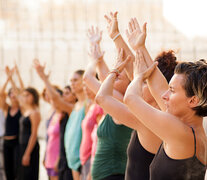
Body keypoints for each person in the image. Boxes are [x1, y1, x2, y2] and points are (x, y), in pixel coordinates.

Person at [96, 12, 177, 180]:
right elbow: (136, 69)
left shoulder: (149, 121)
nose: (138, 82)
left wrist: (115, 69)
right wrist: (116, 36)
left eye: (146, 82)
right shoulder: (160, 114)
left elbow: (102, 98)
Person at [123, 18, 207, 179]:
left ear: (193, 101)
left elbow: (131, 99)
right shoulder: (192, 129)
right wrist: (140, 48)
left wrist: (138, 77)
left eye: (172, 91)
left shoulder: (181, 133)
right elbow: (158, 86)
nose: (164, 96)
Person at [84, 28, 132, 180]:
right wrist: (96, 46)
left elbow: (88, 78)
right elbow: (106, 77)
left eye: (118, 76)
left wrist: (94, 60)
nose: (114, 76)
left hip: (113, 175)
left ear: (129, 83)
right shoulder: (117, 100)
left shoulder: (122, 102)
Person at [34, 60, 77, 180]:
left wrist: (44, 79)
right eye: (63, 94)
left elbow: (55, 98)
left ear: (75, 96)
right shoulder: (61, 113)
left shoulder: (72, 110)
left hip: (66, 160)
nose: (64, 96)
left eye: (67, 94)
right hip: (59, 158)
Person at [0, 65, 23, 180]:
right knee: (7, 171)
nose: (13, 95)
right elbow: (1, 94)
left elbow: (22, 92)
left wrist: (15, 79)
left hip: (17, 143)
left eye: (15, 93)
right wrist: (8, 78)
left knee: (16, 170)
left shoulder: (22, 109)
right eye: (11, 93)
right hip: (6, 142)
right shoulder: (6, 108)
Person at [64, 69, 87, 180]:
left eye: (75, 80)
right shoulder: (76, 105)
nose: (72, 83)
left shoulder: (88, 104)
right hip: (72, 159)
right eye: (71, 80)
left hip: (82, 160)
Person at [80, 84, 104, 180]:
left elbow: (99, 137)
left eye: (89, 85)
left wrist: (92, 166)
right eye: (84, 86)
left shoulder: (99, 108)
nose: (86, 89)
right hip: (84, 158)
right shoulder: (90, 106)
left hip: (91, 158)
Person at [18, 87, 41, 180]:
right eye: (24, 96)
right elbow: (17, 93)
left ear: (34, 96)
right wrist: (11, 77)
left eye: (28, 95)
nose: (25, 98)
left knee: (29, 175)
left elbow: (34, 134)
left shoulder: (35, 112)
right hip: (22, 146)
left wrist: (27, 154)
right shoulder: (26, 110)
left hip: (30, 148)